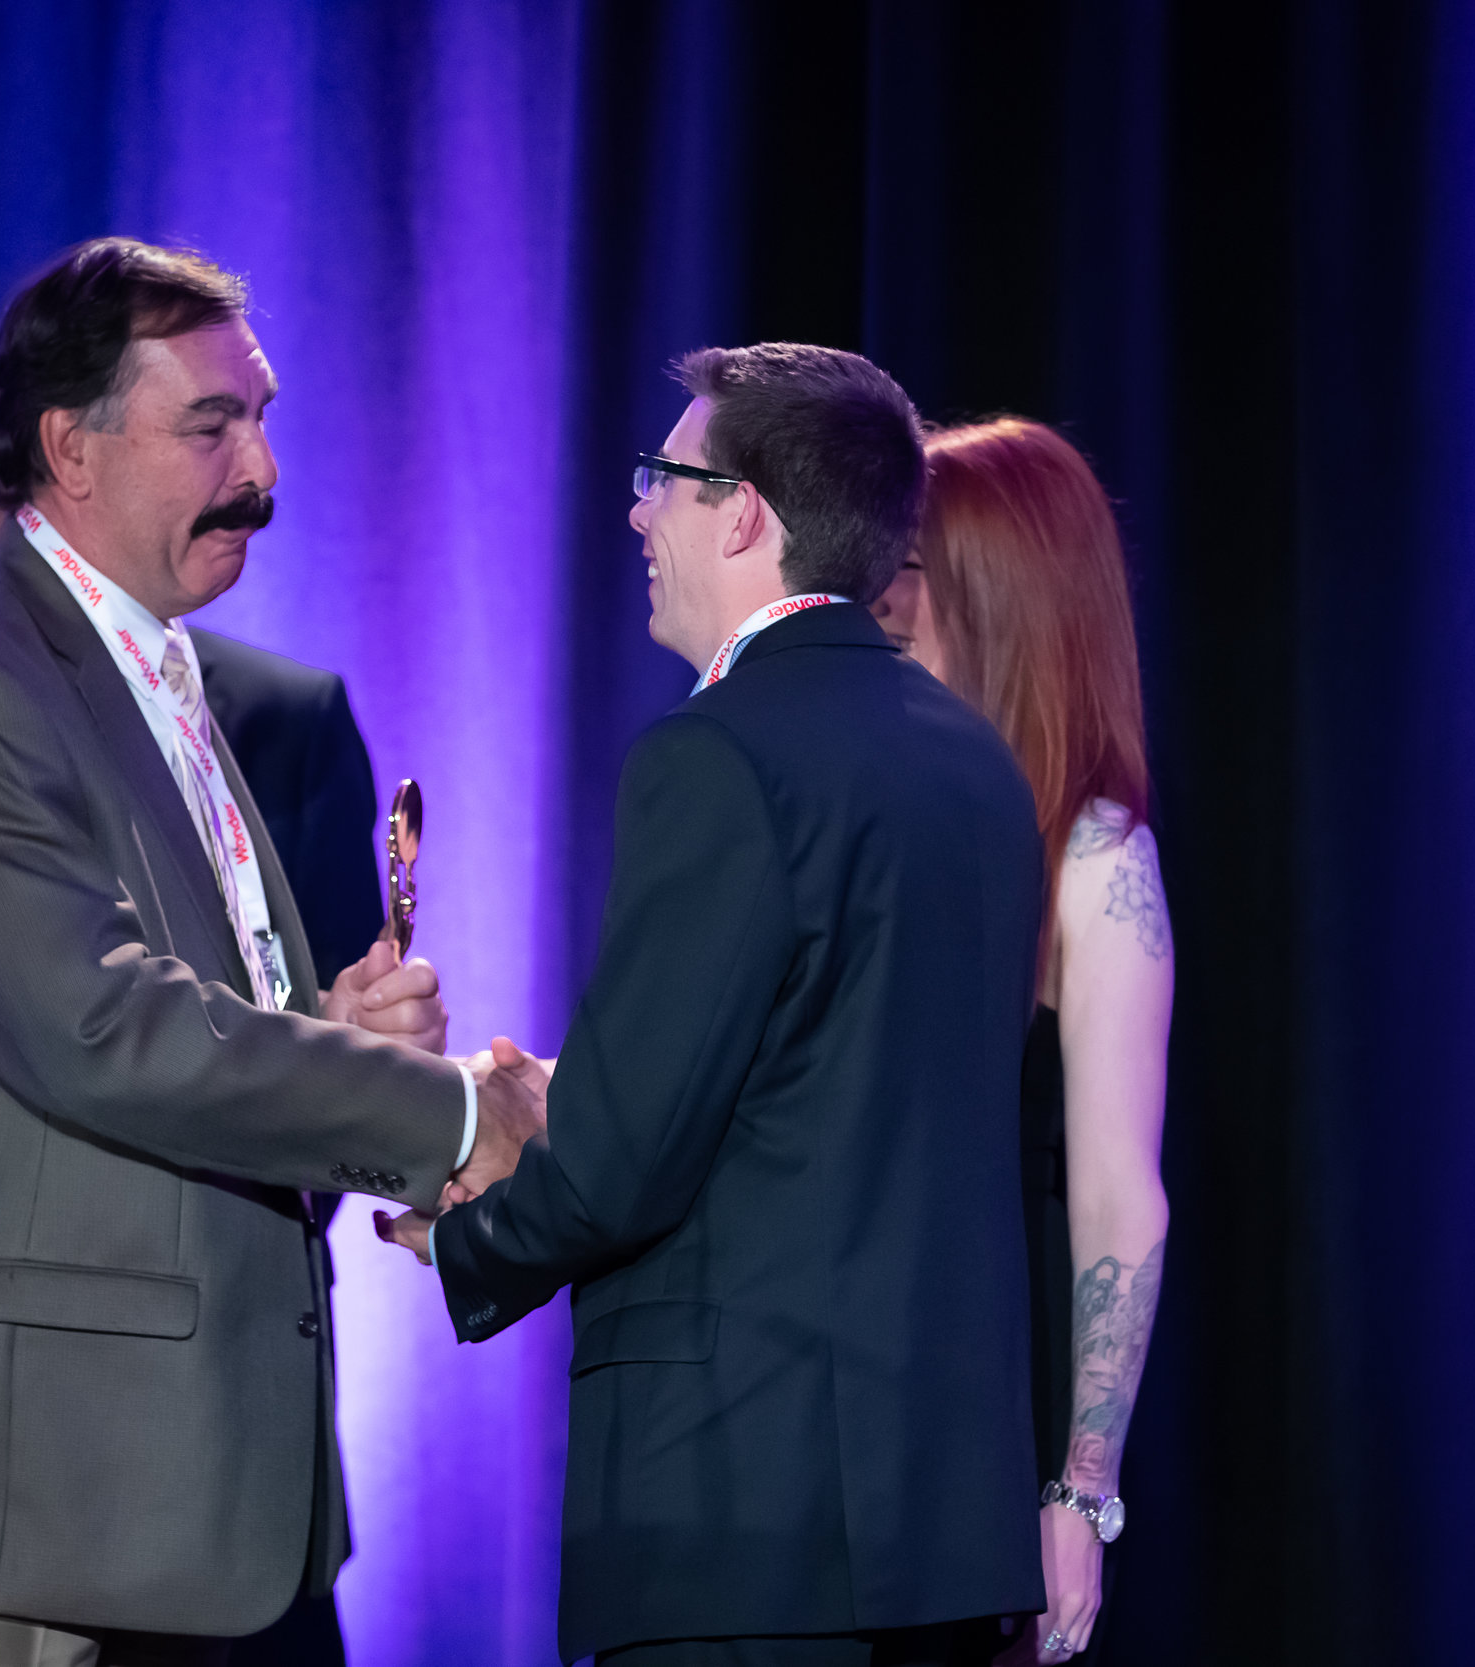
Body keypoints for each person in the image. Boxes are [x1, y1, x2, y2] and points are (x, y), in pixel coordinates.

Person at [0, 237, 543, 1667]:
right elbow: (96, 1025)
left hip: (186, 1517)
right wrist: (447, 1107)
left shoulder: (157, 665)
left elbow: (195, 1019)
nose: (261, 466)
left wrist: (330, 1028)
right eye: (212, 425)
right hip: (34, 1526)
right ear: (70, 450)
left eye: (261, 416)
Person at [375, 344, 1047, 1666]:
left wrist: (461, 1224)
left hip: (743, 1517)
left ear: (743, 510)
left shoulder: (718, 750)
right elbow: (827, 1095)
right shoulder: (976, 763)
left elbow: (631, 1159)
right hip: (938, 1531)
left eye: (662, 481)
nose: (637, 511)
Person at [0, 359, 396, 1170]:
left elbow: (314, 1011)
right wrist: (457, 1122)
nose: (12, 521)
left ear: (83, 472)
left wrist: (366, 1050)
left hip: (263, 1266)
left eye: (24, 490)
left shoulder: (290, 718)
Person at [870, 419, 1172, 1666]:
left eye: (911, 569)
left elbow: (1118, 1195)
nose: (878, 596)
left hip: (975, 1417)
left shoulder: (1093, 859)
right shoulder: (872, 806)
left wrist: (1079, 1489)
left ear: (997, 595)